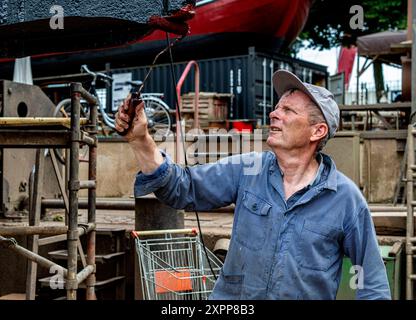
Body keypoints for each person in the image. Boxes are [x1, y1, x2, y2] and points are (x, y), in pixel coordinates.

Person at [115, 70, 391, 300]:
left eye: (288, 110)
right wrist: (141, 140)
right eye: (277, 106)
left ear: (317, 131)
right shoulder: (248, 169)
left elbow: (373, 286)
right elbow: (181, 187)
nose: (274, 113)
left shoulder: (345, 200)